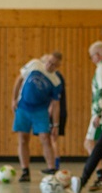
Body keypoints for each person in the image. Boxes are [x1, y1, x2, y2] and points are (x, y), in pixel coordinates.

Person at [11, 51, 66, 182]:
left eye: (53, 65)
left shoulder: (56, 81)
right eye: (49, 62)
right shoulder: (35, 64)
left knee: (45, 138)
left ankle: (51, 168)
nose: (49, 65)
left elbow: (56, 104)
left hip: (40, 111)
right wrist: (13, 99)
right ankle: (25, 170)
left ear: (57, 67)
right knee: (23, 138)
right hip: (23, 107)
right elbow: (19, 79)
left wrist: (56, 125)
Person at [71, 38, 102, 193]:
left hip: (101, 113)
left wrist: (99, 114)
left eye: (91, 56)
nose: (92, 59)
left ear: (98, 55)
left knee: (90, 143)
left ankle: (101, 177)